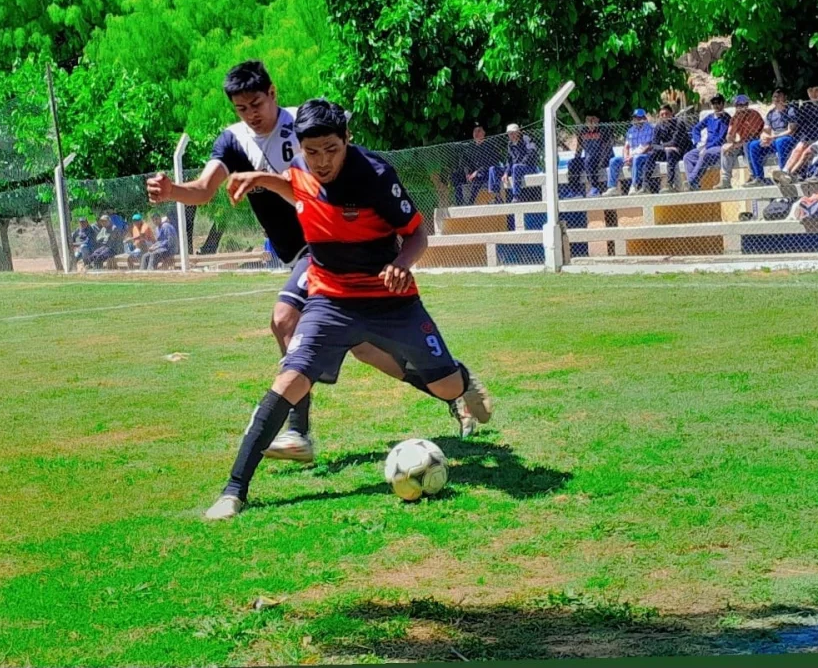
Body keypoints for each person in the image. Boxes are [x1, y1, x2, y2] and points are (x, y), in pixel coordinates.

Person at [147, 61, 484, 460]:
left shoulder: (304, 126)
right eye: (241, 108)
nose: (251, 115)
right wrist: (173, 191)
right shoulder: (233, 142)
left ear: (273, 93)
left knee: (283, 319)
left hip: (325, 250)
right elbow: (203, 191)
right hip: (299, 254)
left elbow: (348, 167)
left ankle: (298, 432)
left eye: (256, 103)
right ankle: (452, 388)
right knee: (367, 351)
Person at [204, 99, 493, 520]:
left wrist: (399, 265)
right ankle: (234, 491)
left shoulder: (375, 176)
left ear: (348, 140)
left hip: (390, 299)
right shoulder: (302, 167)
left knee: (446, 387)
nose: (322, 161)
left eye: (331, 150)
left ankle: (462, 380)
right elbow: (298, 187)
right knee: (289, 380)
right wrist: (262, 180)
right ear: (301, 147)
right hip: (330, 298)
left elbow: (416, 235)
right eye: (312, 151)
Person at [774, 85, 818, 184]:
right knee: (798, 148)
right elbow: (800, 122)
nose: (813, 94)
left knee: (806, 152)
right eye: (810, 91)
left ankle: (791, 175)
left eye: (817, 91)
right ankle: (785, 171)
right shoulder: (806, 106)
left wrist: (817, 103)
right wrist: (793, 107)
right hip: (810, 138)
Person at [746, 88, 798, 187]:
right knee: (753, 145)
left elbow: (791, 130)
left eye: (779, 96)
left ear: (785, 98)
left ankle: (783, 174)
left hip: (788, 139)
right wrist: (764, 137)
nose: (776, 98)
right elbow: (766, 130)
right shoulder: (771, 114)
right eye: (774, 96)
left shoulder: (790, 110)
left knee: (780, 142)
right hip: (774, 140)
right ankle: (759, 178)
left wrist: (773, 137)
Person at [683, 95, 731, 190]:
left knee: (705, 154)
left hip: (719, 147)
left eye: (718, 102)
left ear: (723, 104)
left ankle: (691, 181)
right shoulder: (709, 117)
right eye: (714, 103)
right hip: (707, 146)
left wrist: (706, 147)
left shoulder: (726, 118)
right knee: (688, 156)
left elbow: (721, 138)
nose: (716, 105)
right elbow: (696, 129)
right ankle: (694, 184)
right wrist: (698, 142)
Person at [716, 95, 764, 189]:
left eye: (744, 104)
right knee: (725, 148)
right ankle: (725, 180)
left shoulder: (754, 115)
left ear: (747, 105)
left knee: (747, 145)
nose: (742, 107)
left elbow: (752, 136)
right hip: (742, 143)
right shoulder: (735, 118)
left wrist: (736, 144)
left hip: (755, 143)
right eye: (739, 105)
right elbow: (729, 137)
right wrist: (731, 141)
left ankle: (753, 176)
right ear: (735, 106)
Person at [603, 109, 655, 196]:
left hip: (644, 155)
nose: (636, 120)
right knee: (614, 160)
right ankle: (612, 187)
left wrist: (632, 156)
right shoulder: (630, 130)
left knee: (636, 158)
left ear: (644, 118)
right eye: (635, 118)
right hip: (630, 156)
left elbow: (647, 146)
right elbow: (626, 146)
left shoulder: (650, 129)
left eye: (639, 118)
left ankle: (634, 186)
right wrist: (626, 157)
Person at [566, 112, 613, 197]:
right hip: (589, 160)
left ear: (598, 120)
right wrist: (576, 160)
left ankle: (595, 188)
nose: (590, 122)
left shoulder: (603, 130)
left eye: (592, 119)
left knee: (589, 160)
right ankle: (575, 191)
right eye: (588, 120)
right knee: (571, 163)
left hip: (603, 159)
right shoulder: (583, 131)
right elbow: (579, 149)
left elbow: (606, 149)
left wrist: (601, 163)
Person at [651, 104, 692, 194]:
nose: (664, 116)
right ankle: (644, 185)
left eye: (667, 114)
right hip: (668, 151)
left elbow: (675, 142)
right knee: (651, 154)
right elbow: (653, 144)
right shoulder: (659, 126)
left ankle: (670, 184)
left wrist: (663, 146)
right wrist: (665, 148)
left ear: (671, 114)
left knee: (670, 152)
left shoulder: (678, 123)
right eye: (662, 115)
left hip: (681, 152)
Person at [504, 123, 541, 203]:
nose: (511, 135)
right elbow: (509, 160)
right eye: (509, 134)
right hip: (516, 169)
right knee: (494, 170)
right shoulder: (510, 144)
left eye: (513, 133)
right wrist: (506, 172)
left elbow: (532, 152)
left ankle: (516, 196)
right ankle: (498, 197)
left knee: (516, 167)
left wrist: (521, 163)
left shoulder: (526, 139)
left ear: (518, 132)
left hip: (530, 168)